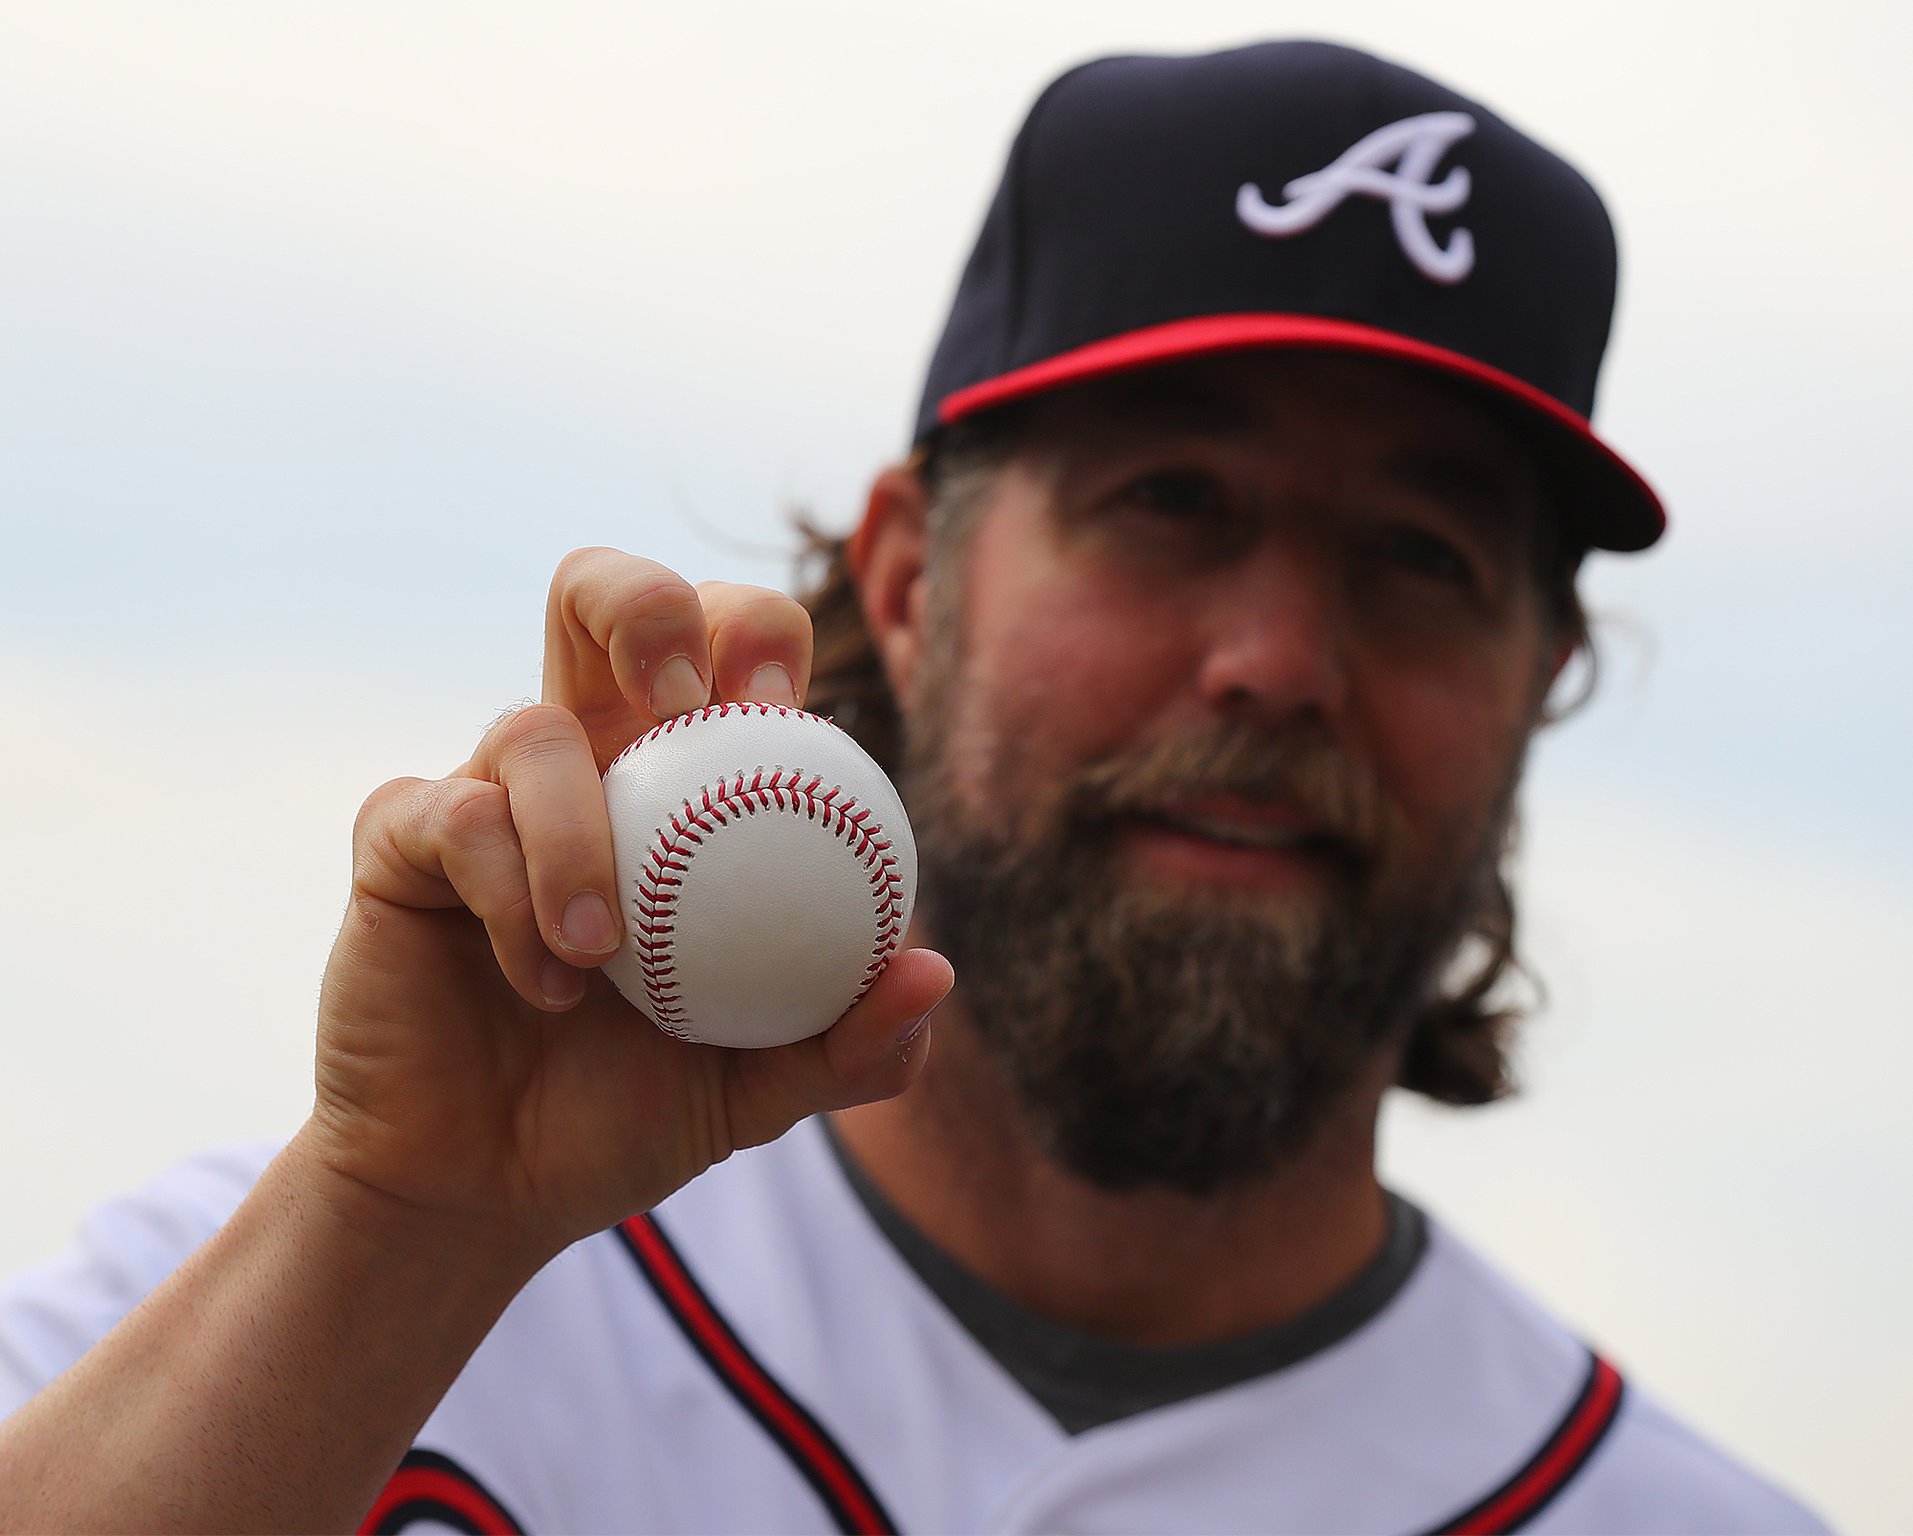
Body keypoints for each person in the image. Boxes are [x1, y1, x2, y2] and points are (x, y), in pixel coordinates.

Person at [0, 39, 1824, 1535]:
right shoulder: (299, 1297)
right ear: (905, 576)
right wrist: (395, 1233)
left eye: (1421, 556)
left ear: (1541, 681)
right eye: (1168, 501)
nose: (1276, 657)